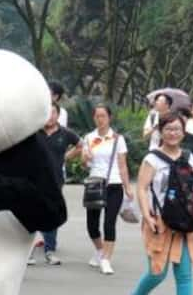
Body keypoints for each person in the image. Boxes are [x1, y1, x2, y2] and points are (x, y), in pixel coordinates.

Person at [127, 112, 193, 295]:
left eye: (177, 129)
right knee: (157, 272)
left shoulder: (189, 157)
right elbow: (141, 188)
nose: (173, 133)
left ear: (183, 131)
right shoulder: (152, 159)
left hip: (184, 221)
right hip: (159, 221)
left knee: (185, 273)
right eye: (168, 129)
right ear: (161, 131)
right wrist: (147, 216)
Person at [82, 104, 133, 275]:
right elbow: (85, 165)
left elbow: (123, 165)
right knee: (92, 225)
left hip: (114, 184)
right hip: (95, 183)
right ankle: (99, 250)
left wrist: (127, 187)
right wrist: (85, 159)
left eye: (103, 116)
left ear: (109, 118)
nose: (100, 119)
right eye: (97, 116)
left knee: (109, 222)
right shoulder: (88, 138)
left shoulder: (118, 139)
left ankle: (106, 259)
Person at [33, 103, 81, 265]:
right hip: (34, 179)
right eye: (47, 112)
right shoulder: (34, 132)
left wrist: (66, 157)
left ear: (58, 115)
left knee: (51, 214)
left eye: (53, 113)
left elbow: (80, 145)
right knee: (31, 214)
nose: (50, 116)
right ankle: (28, 252)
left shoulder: (65, 133)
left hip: (55, 180)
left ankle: (50, 251)